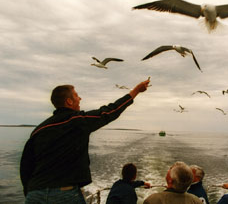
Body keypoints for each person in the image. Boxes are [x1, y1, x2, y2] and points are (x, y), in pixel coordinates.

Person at [20, 78, 150, 204]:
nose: (80, 98)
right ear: (69, 101)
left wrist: (31, 194)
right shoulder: (77, 120)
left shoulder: (38, 130)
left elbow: (25, 167)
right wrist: (136, 90)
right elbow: (110, 111)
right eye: (77, 96)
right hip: (64, 194)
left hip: (34, 195)